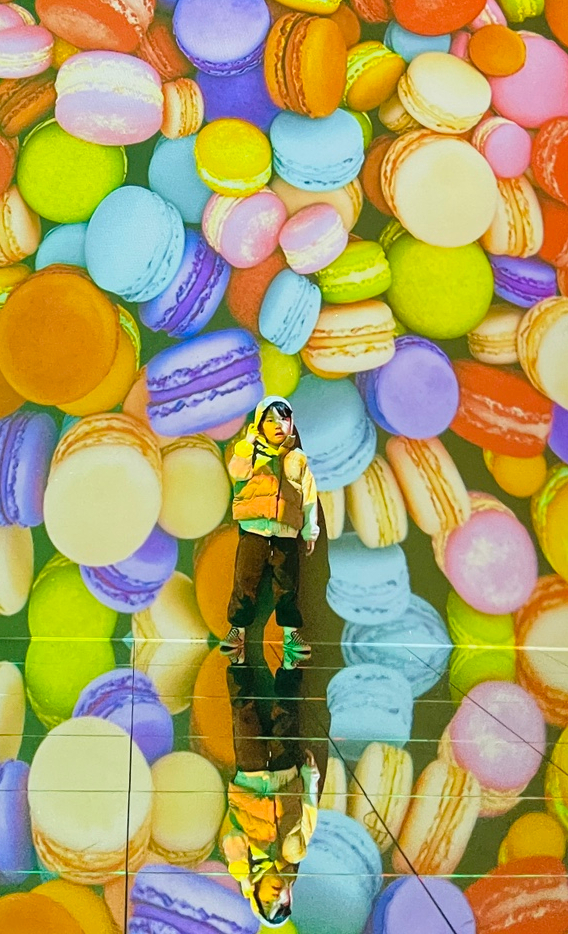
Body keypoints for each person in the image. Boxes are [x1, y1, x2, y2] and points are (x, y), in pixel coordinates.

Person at [220, 393, 318, 667]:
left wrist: (310, 528)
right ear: (258, 424)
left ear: (291, 423)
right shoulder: (249, 454)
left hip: (286, 534)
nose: (278, 425)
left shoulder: (298, 458)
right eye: (270, 420)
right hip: (254, 532)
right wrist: (247, 444)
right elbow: (236, 472)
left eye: (283, 419)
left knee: (287, 587)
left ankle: (290, 636)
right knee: (244, 583)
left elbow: (309, 495)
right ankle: (237, 632)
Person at [222, 662, 319, 927]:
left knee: (244, 717)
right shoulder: (294, 855)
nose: (276, 899)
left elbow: (231, 838)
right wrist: (310, 780)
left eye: (267, 903)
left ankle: (238, 660)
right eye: (283, 905)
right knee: (285, 717)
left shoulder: (244, 866)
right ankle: (291, 663)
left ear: (255, 896)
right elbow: (308, 817)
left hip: (250, 783)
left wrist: (243, 872)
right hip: (286, 780)